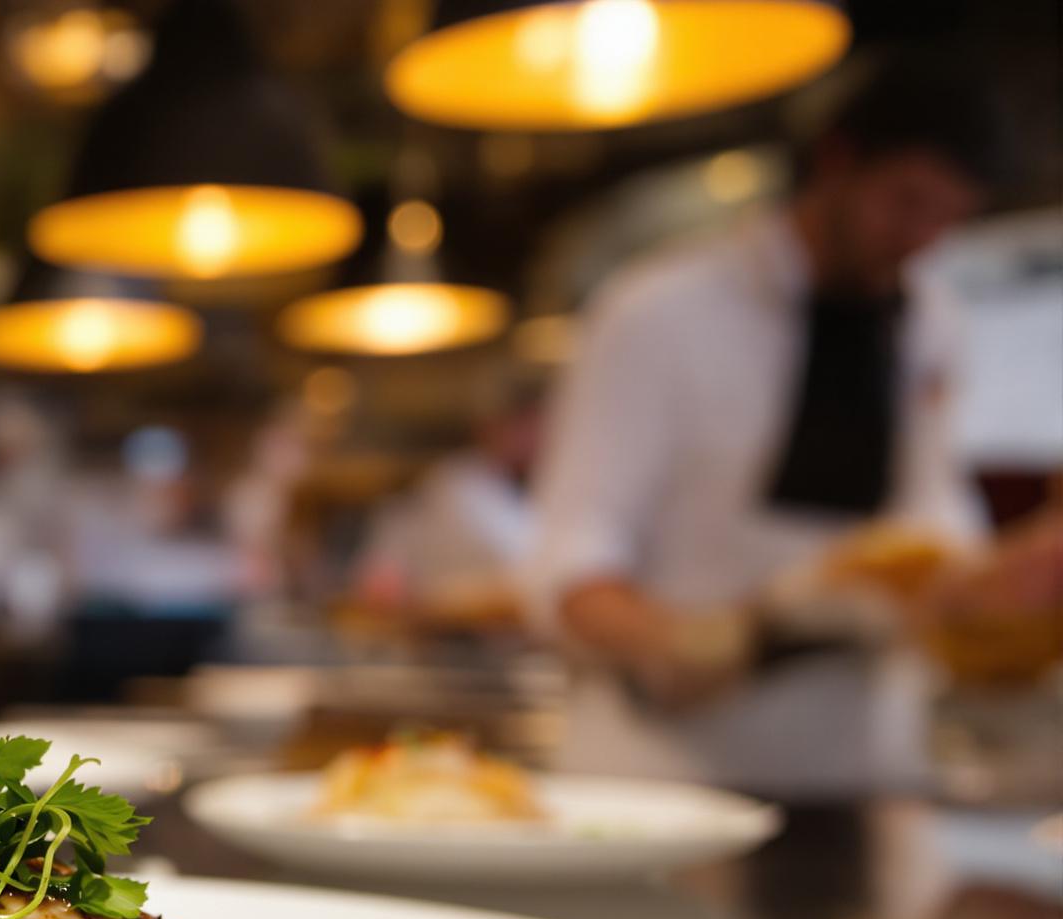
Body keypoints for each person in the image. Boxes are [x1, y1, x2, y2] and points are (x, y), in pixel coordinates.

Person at [530, 62, 1011, 797]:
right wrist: (677, 643)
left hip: (861, 768)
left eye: (948, 218)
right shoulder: (658, 312)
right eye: (905, 202)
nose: (920, 239)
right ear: (837, 160)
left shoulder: (932, 325)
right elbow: (573, 548)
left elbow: (933, 512)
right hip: (666, 771)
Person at [353, 375, 547, 636]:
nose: (544, 438)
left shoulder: (516, 490)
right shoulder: (462, 486)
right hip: (456, 644)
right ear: (494, 426)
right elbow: (524, 568)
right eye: (531, 425)